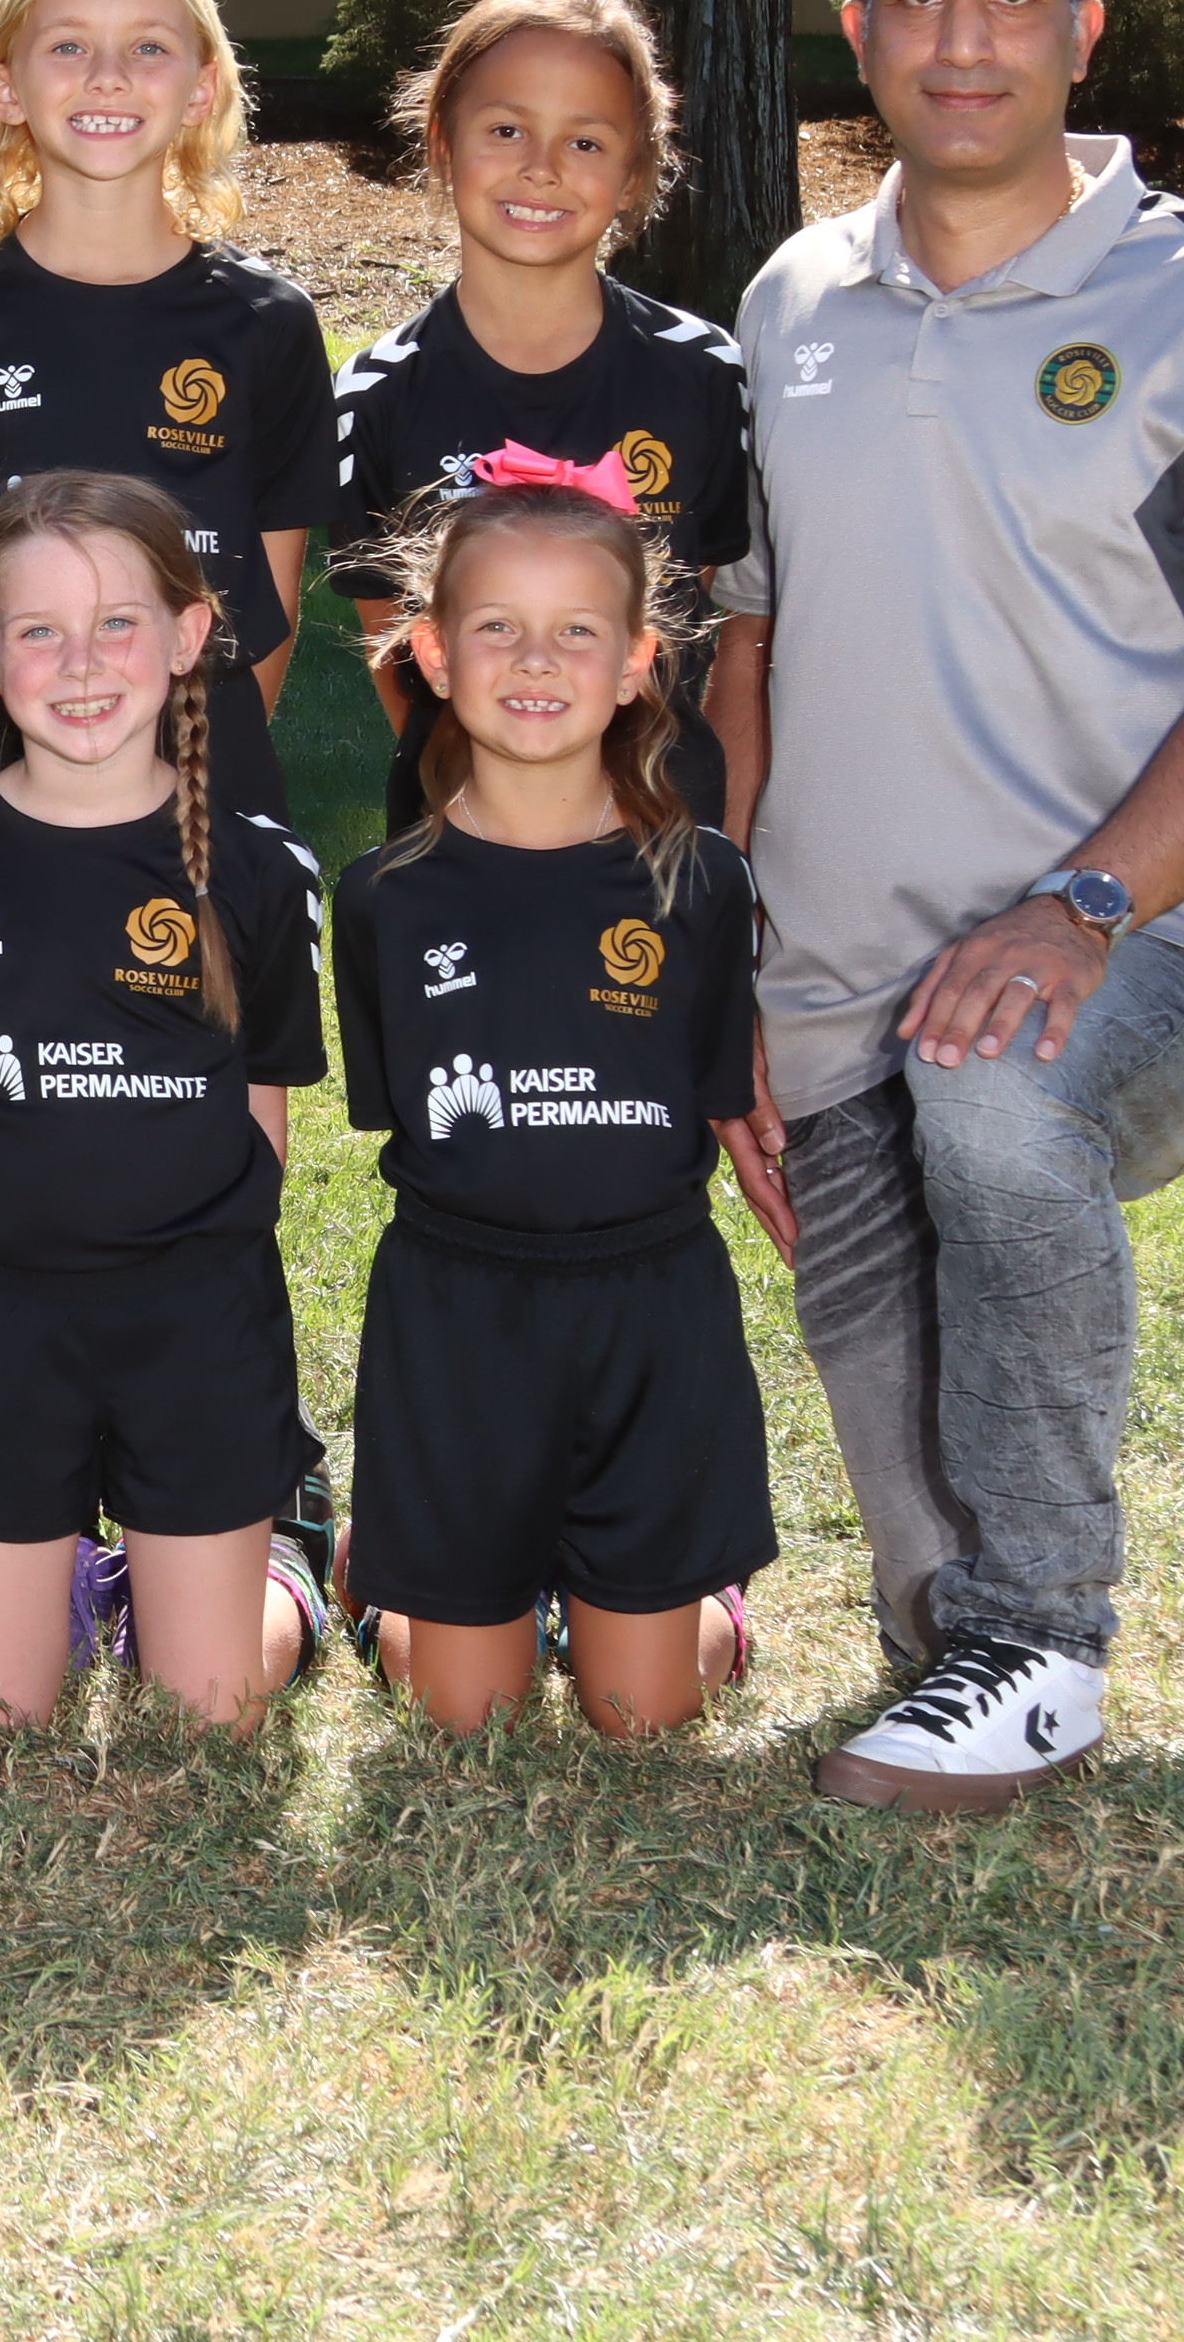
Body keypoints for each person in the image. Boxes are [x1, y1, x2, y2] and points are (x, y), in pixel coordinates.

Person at [710, 0, 1184, 1812]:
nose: (966, 38)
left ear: (1084, 31)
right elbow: (747, 658)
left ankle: (1046, 1643)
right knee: (921, 1598)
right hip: (835, 1004)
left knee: (994, 1079)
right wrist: (726, 972)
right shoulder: (792, 300)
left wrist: (1077, 906)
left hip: (1146, 954)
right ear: (859, 33)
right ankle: (975, 1637)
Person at [0, 469, 327, 1730]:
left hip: (198, 1321)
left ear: (186, 635)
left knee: (209, 1708)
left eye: (119, 621)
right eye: (39, 629)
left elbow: (261, 1127)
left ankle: (284, 1549)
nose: (80, 663)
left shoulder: (257, 873)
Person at [331, 468, 781, 1735]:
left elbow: (709, 1088)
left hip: (650, 1308)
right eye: (498, 626)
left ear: (637, 662)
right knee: (464, 1711)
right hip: (457, 1309)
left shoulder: (704, 882)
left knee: (643, 1711)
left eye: (577, 629)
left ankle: (665, 1599)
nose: (537, 660)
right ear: (431, 651)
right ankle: (400, 1575)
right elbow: (412, 1115)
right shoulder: (381, 897)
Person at [0, 0, 327, 833]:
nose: (108, 76)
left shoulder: (267, 326)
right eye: (69, 45)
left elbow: (265, 618)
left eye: (148, 47)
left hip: (206, 796)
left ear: (202, 88)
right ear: (5, 86)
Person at [331, 0, 752, 839]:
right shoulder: (376, 395)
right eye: (506, 129)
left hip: (660, 843)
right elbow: (397, 651)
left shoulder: (704, 375)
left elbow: (700, 610)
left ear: (635, 173)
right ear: (442, 142)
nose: (542, 169)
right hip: (458, 852)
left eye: (586, 142)